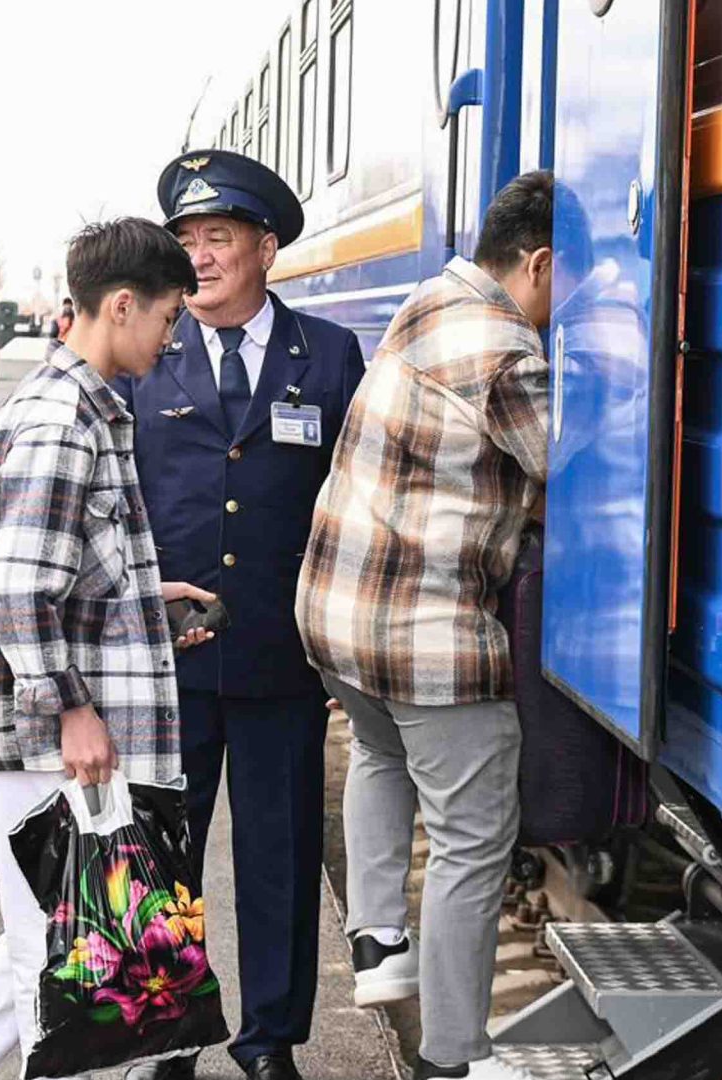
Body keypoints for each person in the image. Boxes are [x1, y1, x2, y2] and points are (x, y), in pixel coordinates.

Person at [0, 217, 215, 1080]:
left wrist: (143, 598)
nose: (171, 339)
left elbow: (50, 572)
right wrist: (74, 711)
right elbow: (16, 589)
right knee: (50, 958)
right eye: (167, 319)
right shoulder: (62, 423)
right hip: (44, 735)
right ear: (121, 306)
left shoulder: (80, 407)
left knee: (45, 933)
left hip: (45, 728)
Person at [296, 171, 570, 1080]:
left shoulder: (428, 299)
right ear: (536, 262)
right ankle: (459, 1056)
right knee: (470, 843)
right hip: (425, 640)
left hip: (335, 621)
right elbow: (580, 470)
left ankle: (377, 942)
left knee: (378, 753)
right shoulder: (507, 350)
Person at [116, 149, 366, 1080]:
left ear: (267, 247)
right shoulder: (149, 352)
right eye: (187, 242)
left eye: (219, 238)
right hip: (165, 660)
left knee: (281, 859)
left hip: (281, 657)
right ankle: (167, 1036)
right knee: (164, 856)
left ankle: (269, 1042)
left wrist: (343, 647)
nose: (201, 258)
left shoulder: (331, 356)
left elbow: (357, 503)